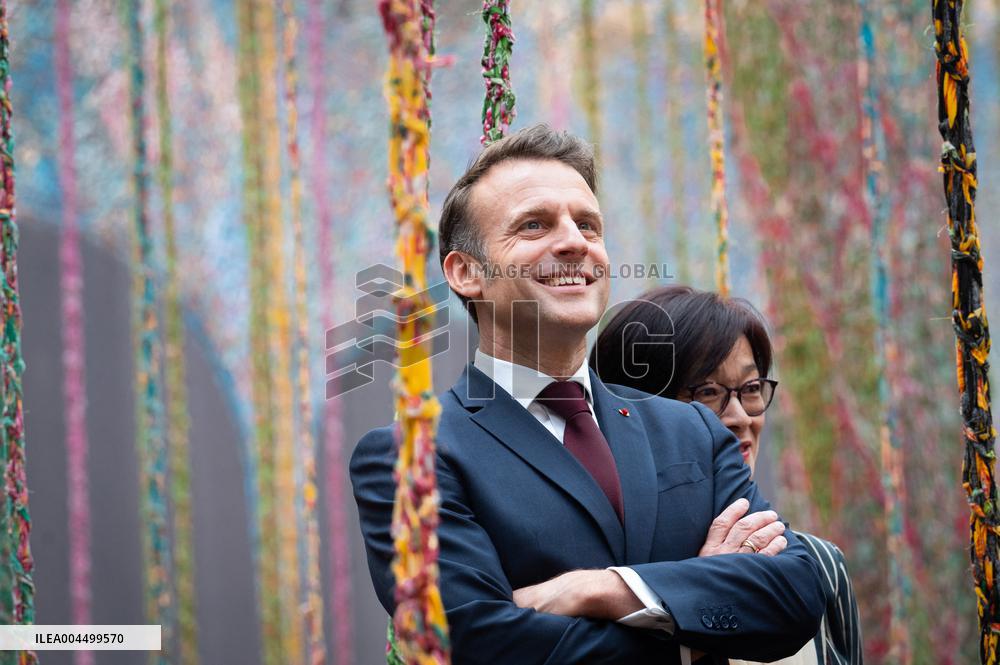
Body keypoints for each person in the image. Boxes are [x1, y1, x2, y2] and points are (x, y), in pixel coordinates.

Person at [351, 124, 825, 664]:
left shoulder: (690, 430)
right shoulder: (411, 460)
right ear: (466, 273)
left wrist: (604, 589)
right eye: (534, 225)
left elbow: (795, 593)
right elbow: (482, 643)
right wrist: (689, 626)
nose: (574, 241)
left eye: (588, 225)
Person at [590, 284, 864, 665]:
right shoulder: (594, 572)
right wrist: (696, 593)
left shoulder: (821, 565)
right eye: (706, 392)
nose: (740, 417)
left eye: (751, 388)